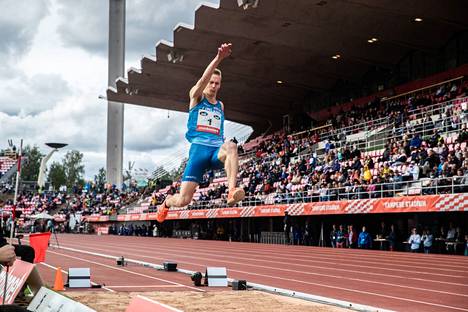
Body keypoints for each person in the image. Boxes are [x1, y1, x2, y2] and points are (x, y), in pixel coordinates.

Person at [156, 43, 245, 222]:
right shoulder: (196, 97)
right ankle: (166, 202)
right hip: (198, 152)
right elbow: (202, 81)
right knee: (183, 200)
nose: (213, 86)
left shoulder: (220, 106)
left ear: (220, 86)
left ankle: (231, 191)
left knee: (232, 147)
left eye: (216, 83)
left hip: (215, 152)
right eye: (211, 82)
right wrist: (219, 58)